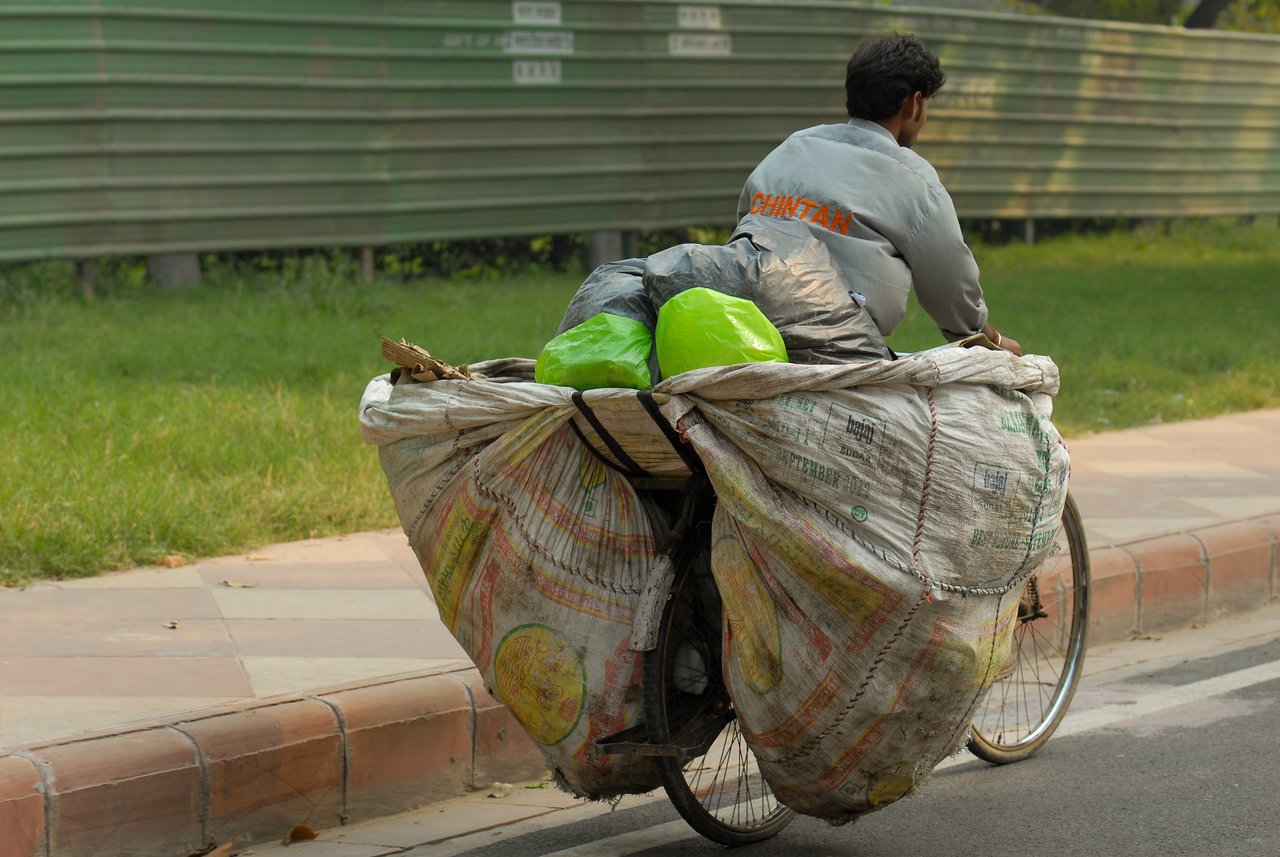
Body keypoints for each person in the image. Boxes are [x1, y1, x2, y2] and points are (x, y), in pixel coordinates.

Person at [734, 32, 1022, 356]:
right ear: (913, 103)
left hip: (743, 329)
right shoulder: (914, 180)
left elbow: (745, 228)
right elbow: (951, 289)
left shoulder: (790, 149)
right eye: (926, 105)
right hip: (835, 353)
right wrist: (992, 340)